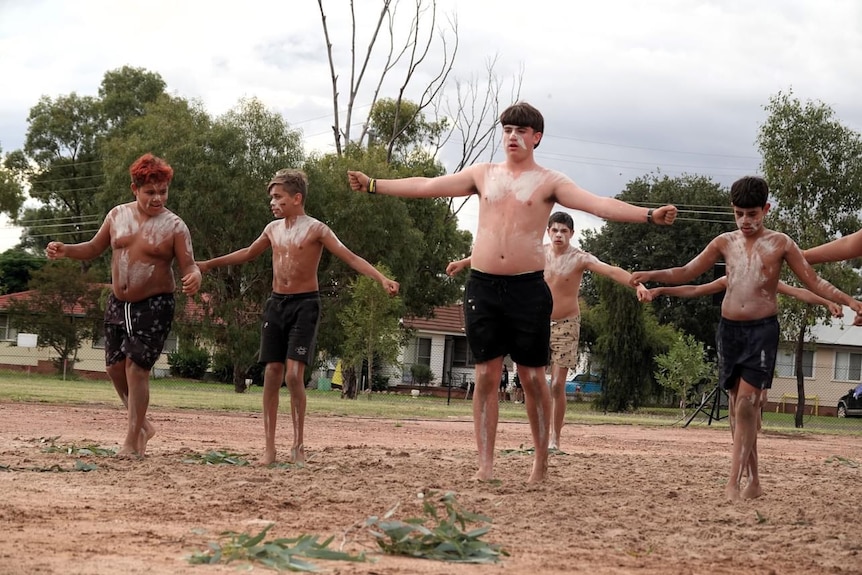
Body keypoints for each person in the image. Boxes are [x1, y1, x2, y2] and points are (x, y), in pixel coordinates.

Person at [348, 101, 678, 483]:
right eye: (507, 130)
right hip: (483, 287)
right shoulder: (483, 174)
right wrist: (375, 185)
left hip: (527, 289)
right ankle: (485, 465)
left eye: (521, 131)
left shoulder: (549, 181)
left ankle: (540, 461)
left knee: (532, 378)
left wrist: (648, 214)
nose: (512, 137)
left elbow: (599, 204)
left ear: (536, 137)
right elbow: (427, 185)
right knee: (486, 374)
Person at [630, 176, 862, 501]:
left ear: (766, 209)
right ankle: (753, 479)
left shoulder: (781, 243)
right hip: (729, 331)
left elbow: (812, 280)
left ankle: (732, 482)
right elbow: (688, 273)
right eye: (740, 213)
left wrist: (849, 300)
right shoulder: (724, 242)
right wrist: (652, 276)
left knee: (747, 403)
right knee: (739, 409)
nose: (746, 221)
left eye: (752, 213)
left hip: (762, 331)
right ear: (732, 211)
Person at [197, 169, 399, 466]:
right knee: (271, 374)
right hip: (277, 303)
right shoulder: (272, 229)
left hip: (305, 305)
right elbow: (247, 253)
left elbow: (350, 256)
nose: (273, 203)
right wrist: (208, 264)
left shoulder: (316, 229)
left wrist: (381, 278)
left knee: (294, 375)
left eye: (278, 197)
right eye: (272, 198)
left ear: (297, 198)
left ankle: (298, 445)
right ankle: (269, 449)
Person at [447, 211, 652, 450]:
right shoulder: (537, 252)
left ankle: (555, 438)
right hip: (535, 321)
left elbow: (611, 270)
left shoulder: (580, 258)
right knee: (533, 382)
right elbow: (498, 254)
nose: (559, 235)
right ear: (548, 232)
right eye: (555, 230)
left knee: (556, 385)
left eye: (564, 231)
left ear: (571, 234)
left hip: (567, 322)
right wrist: (463, 262)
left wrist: (637, 284)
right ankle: (540, 436)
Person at [46, 153, 201, 458]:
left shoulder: (175, 226)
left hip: (155, 304)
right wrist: (66, 250)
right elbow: (93, 248)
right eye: (150, 192)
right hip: (118, 302)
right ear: (135, 189)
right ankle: (143, 425)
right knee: (114, 367)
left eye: (163, 192)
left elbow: (189, 265)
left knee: (136, 369)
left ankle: (132, 441)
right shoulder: (117, 215)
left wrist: (194, 277)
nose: (157, 198)